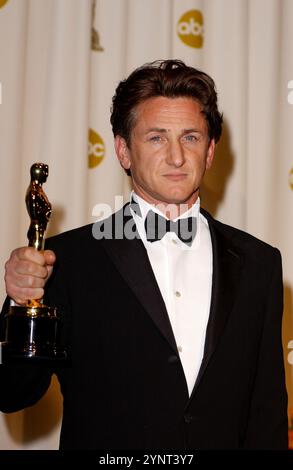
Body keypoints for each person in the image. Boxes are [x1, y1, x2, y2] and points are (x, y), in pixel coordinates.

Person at [0, 60, 288, 450]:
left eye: (190, 137)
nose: (176, 157)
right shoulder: (67, 261)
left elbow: (266, 413)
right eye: (156, 138)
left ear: (210, 151)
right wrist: (21, 303)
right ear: (123, 151)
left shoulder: (259, 263)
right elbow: (13, 393)